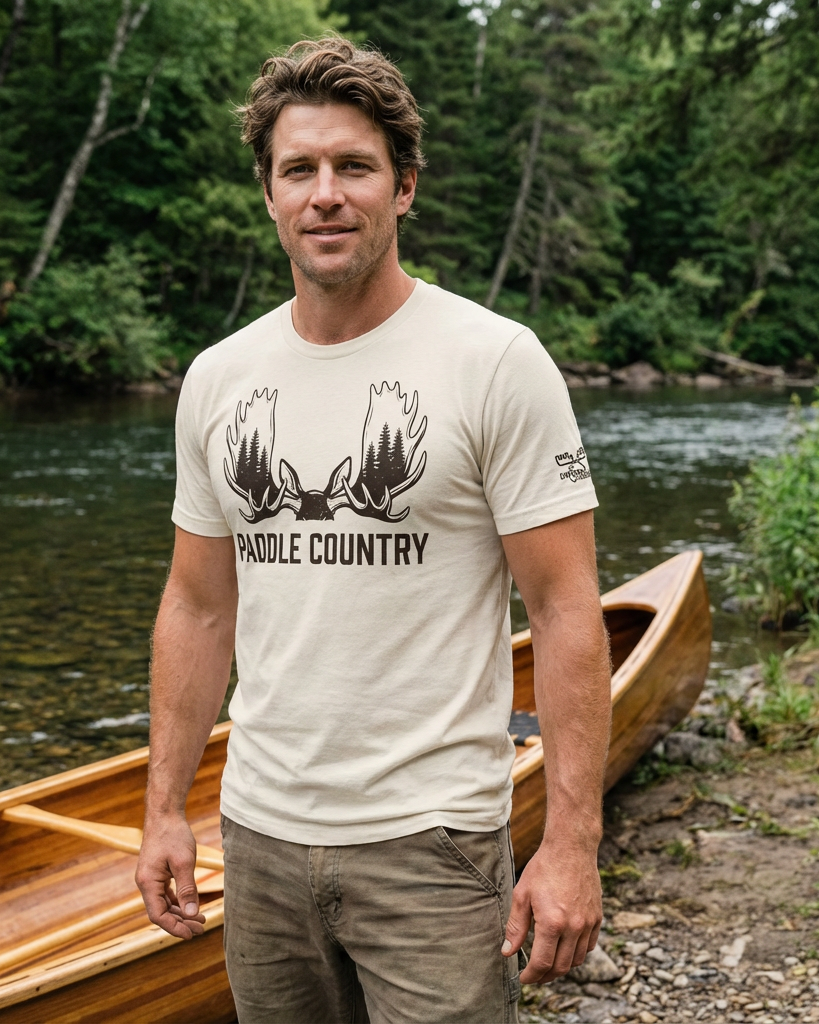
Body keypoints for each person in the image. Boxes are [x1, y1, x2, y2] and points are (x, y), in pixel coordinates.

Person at [135, 37, 610, 1024]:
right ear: (267, 194)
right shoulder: (219, 378)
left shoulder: (494, 362)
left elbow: (564, 609)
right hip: (257, 837)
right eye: (298, 169)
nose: (325, 194)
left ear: (403, 188)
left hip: (429, 844)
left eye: (354, 167)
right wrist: (162, 808)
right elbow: (196, 603)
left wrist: (568, 845)